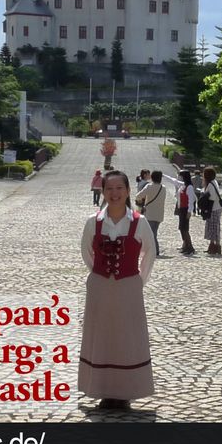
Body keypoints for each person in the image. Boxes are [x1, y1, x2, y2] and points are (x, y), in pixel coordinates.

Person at [79, 170, 156, 410]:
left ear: (128, 191)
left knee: (127, 337)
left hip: (129, 286)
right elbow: (87, 253)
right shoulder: (93, 222)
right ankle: (103, 390)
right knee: (101, 335)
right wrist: (102, 274)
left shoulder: (139, 222)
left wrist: (135, 282)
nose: (114, 194)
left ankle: (125, 392)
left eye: (119, 189)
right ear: (103, 192)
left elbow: (149, 255)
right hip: (100, 286)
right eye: (109, 189)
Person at [164, 170, 196, 255]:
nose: (179, 177)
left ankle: (190, 246)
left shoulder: (189, 187)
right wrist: (163, 175)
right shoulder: (183, 185)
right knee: (182, 228)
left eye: (180, 176)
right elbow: (173, 181)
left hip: (186, 209)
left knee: (184, 228)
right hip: (181, 208)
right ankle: (185, 245)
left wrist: (189, 211)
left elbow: (191, 200)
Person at [135, 170, 167, 256]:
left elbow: (138, 196)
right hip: (159, 214)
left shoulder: (149, 186)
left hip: (149, 213)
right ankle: (152, 250)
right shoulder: (163, 188)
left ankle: (155, 250)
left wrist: (142, 200)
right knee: (154, 232)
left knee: (151, 233)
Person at [202, 166, 222, 256]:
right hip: (216, 207)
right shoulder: (213, 182)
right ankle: (212, 245)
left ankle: (217, 246)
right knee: (212, 226)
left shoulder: (210, 184)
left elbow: (212, 197)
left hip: (214, 208)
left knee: (214, 227)